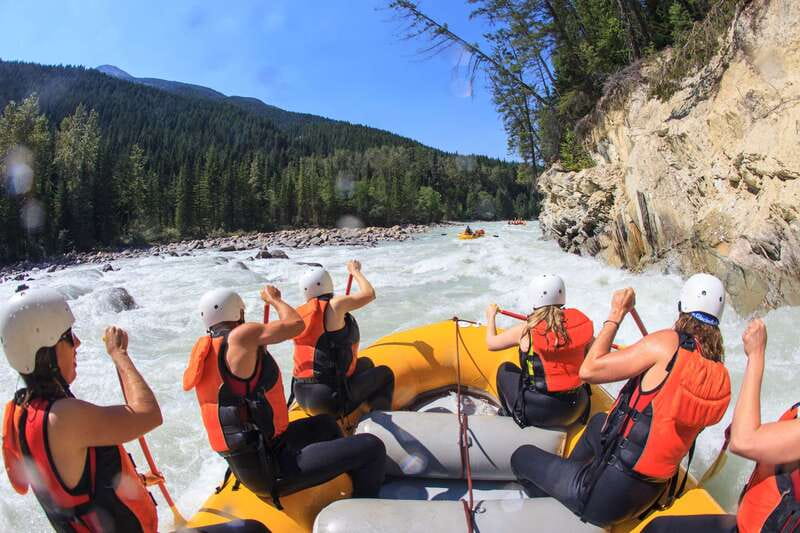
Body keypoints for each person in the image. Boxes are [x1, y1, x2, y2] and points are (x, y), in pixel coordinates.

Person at [510, 274, 731, 528]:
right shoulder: (717, 372)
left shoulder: (666, 343)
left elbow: (589, 370)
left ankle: (557, 502)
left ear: (682, 306)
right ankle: (569, 472)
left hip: (601, 497)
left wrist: (617, 313)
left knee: (520, 456)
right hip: (650, 493)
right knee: (598, 423)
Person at [184, 285, 386, 507]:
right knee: (372, 447)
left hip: (264, 453)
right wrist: (275, 300)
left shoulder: (209, 350)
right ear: (238, 312)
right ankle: (365, 509)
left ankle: (342, 476)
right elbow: (296, 325)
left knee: (325, 424)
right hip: (272, 469)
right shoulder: (242, 336)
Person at [1, 288, 161, 532]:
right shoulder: (63, 417)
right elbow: (149, 414)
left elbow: (75, 485)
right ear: (45, 352)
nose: (77, 342)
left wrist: (136, 481)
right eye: (68, 336)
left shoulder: (24, 412)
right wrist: (120, 354)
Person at [643, 319, 800, 533]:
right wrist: (747, 426)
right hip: (753, 524)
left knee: (658, 530)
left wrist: (756, 355)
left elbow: (744, 442)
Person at [485, 274, 592, 429]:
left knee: (505, 369)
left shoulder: (526, 330)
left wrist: (491, 317)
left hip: (539, 412)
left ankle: (509, 414)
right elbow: (599, 354)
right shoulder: (580, 327)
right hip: (576, 408)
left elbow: (491, 344)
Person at [291, 261, 394, 418]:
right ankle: (379, 418)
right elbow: (369, 294)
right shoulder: (336, 305)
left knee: (366, 363)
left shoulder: (297, 315)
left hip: (302, 396)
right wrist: (355, 271)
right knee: (385, 374)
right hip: (329, 400)